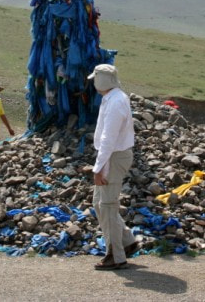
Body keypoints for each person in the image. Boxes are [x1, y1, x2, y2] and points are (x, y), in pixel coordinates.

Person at [88, 64, 138, 270]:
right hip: (112, 155)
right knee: (99, 203)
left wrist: (98, 168)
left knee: (107, 206)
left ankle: (116, 256)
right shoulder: (112, 98)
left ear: (102, 80)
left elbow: (108, 138)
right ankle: (127, 241)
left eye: (95, 78)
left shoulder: (116, 102)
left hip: (114, 157)